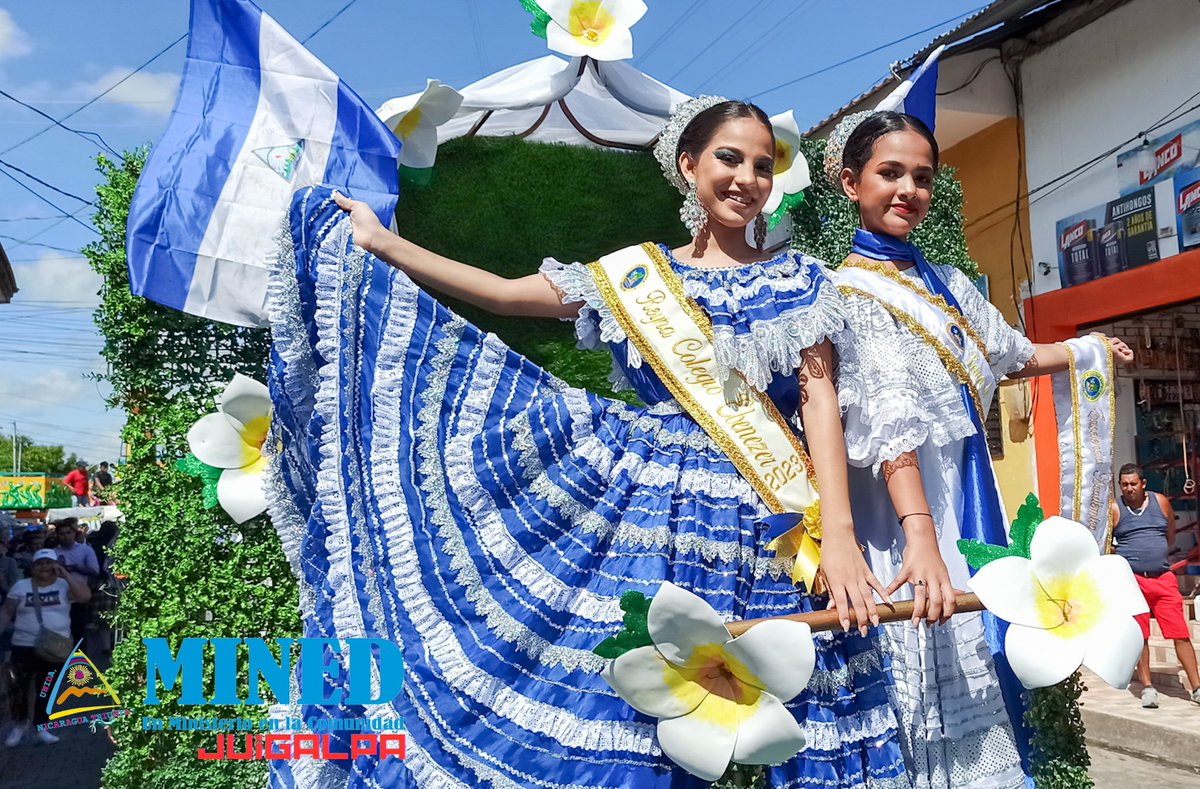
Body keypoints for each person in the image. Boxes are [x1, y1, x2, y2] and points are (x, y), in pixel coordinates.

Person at [268, 98, 910, 787]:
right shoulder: (637, 274)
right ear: (689, 166)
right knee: (635, 707)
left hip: (775, 518)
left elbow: (819, 403)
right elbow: (506, 294)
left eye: (761, 164)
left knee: (811, 705)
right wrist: (384, 244)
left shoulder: (800, 279)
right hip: (656, 515)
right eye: (729, 157)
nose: (746, 177)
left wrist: (838, 536)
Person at [827, 111, 1133, 787]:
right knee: (928, 662)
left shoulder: (951, 284)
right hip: (909, 514)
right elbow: (888, 425)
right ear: (851, 183)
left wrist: (1087, 350)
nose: (908, 188)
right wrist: (921, 536)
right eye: (889, 173)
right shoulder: (846, 293)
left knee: (984, 655)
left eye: (921, 177)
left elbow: (1012, 354)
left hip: (968, 498)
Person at [1110, 463, 1200, 708]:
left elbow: (1169, 535)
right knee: (1141, 636)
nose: (1129, 488)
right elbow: (1109, 546)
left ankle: (1196, 687)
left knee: (1180, 633)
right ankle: (1148, 687)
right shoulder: (1115, 510)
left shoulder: (1160, 502)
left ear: (1143, 484)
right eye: (1124, 484)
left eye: (1133, 483)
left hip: (1162, 577)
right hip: (1133, 581)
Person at [0, 548, 91, 746]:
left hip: (54, 648)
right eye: (40, 563)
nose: (45, 567)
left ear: (55, 565)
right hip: (23, 646)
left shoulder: (63, 585)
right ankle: (19, 725)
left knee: (46, 689)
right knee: (20, 688)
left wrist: (65, 573)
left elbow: (84, 596)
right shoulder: (21, 586)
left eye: (49, 563)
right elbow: (7, 611)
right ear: (33, 567)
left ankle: (42, 726)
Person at [50, 519, 98, 649]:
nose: (65, 536)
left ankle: (79, 664)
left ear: (74, 534)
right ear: (57, 535)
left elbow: (94, 571)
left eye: (68, 533)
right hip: (58, 598)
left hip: (78, 597)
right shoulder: (53, 552)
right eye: (62, 533)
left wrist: (75, 568)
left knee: (78, 632)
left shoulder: (85, 550)